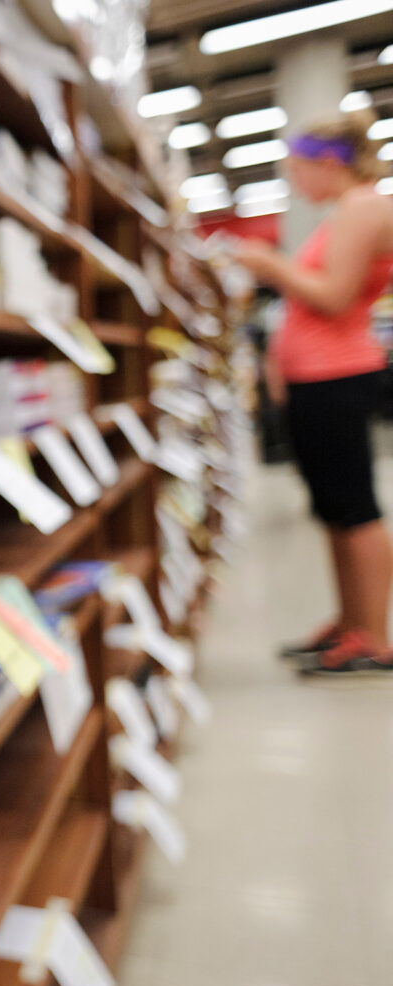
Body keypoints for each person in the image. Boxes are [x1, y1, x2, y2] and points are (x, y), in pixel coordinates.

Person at [234, 111, 393, 683]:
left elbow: (333, 295)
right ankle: (352, 621)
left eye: (298, 168)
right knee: (333, 510)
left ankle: (375, 637)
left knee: (356, 508)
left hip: (337, 376)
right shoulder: (344, 214)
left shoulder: (365, 208)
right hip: (315, 379)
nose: (295, 181)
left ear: (329, 163)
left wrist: (266, 262)